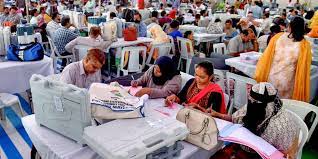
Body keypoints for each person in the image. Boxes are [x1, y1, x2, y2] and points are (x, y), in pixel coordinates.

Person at [212, 83, 299, 159]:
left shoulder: (282, 125)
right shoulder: (252, 107)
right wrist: (218, 115)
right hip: (245, 148)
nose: (251, 103)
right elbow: (235, 118)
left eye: (254, 102)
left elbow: (287, 154)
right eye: (250, 100)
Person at [255, 17, 312, 102]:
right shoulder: (304, 45)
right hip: (287, 81)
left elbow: (266, 56)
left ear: (290, 26)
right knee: (283, 106)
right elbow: (304, 67)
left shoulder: (278, 37)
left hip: (272, 77)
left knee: (269, 103)